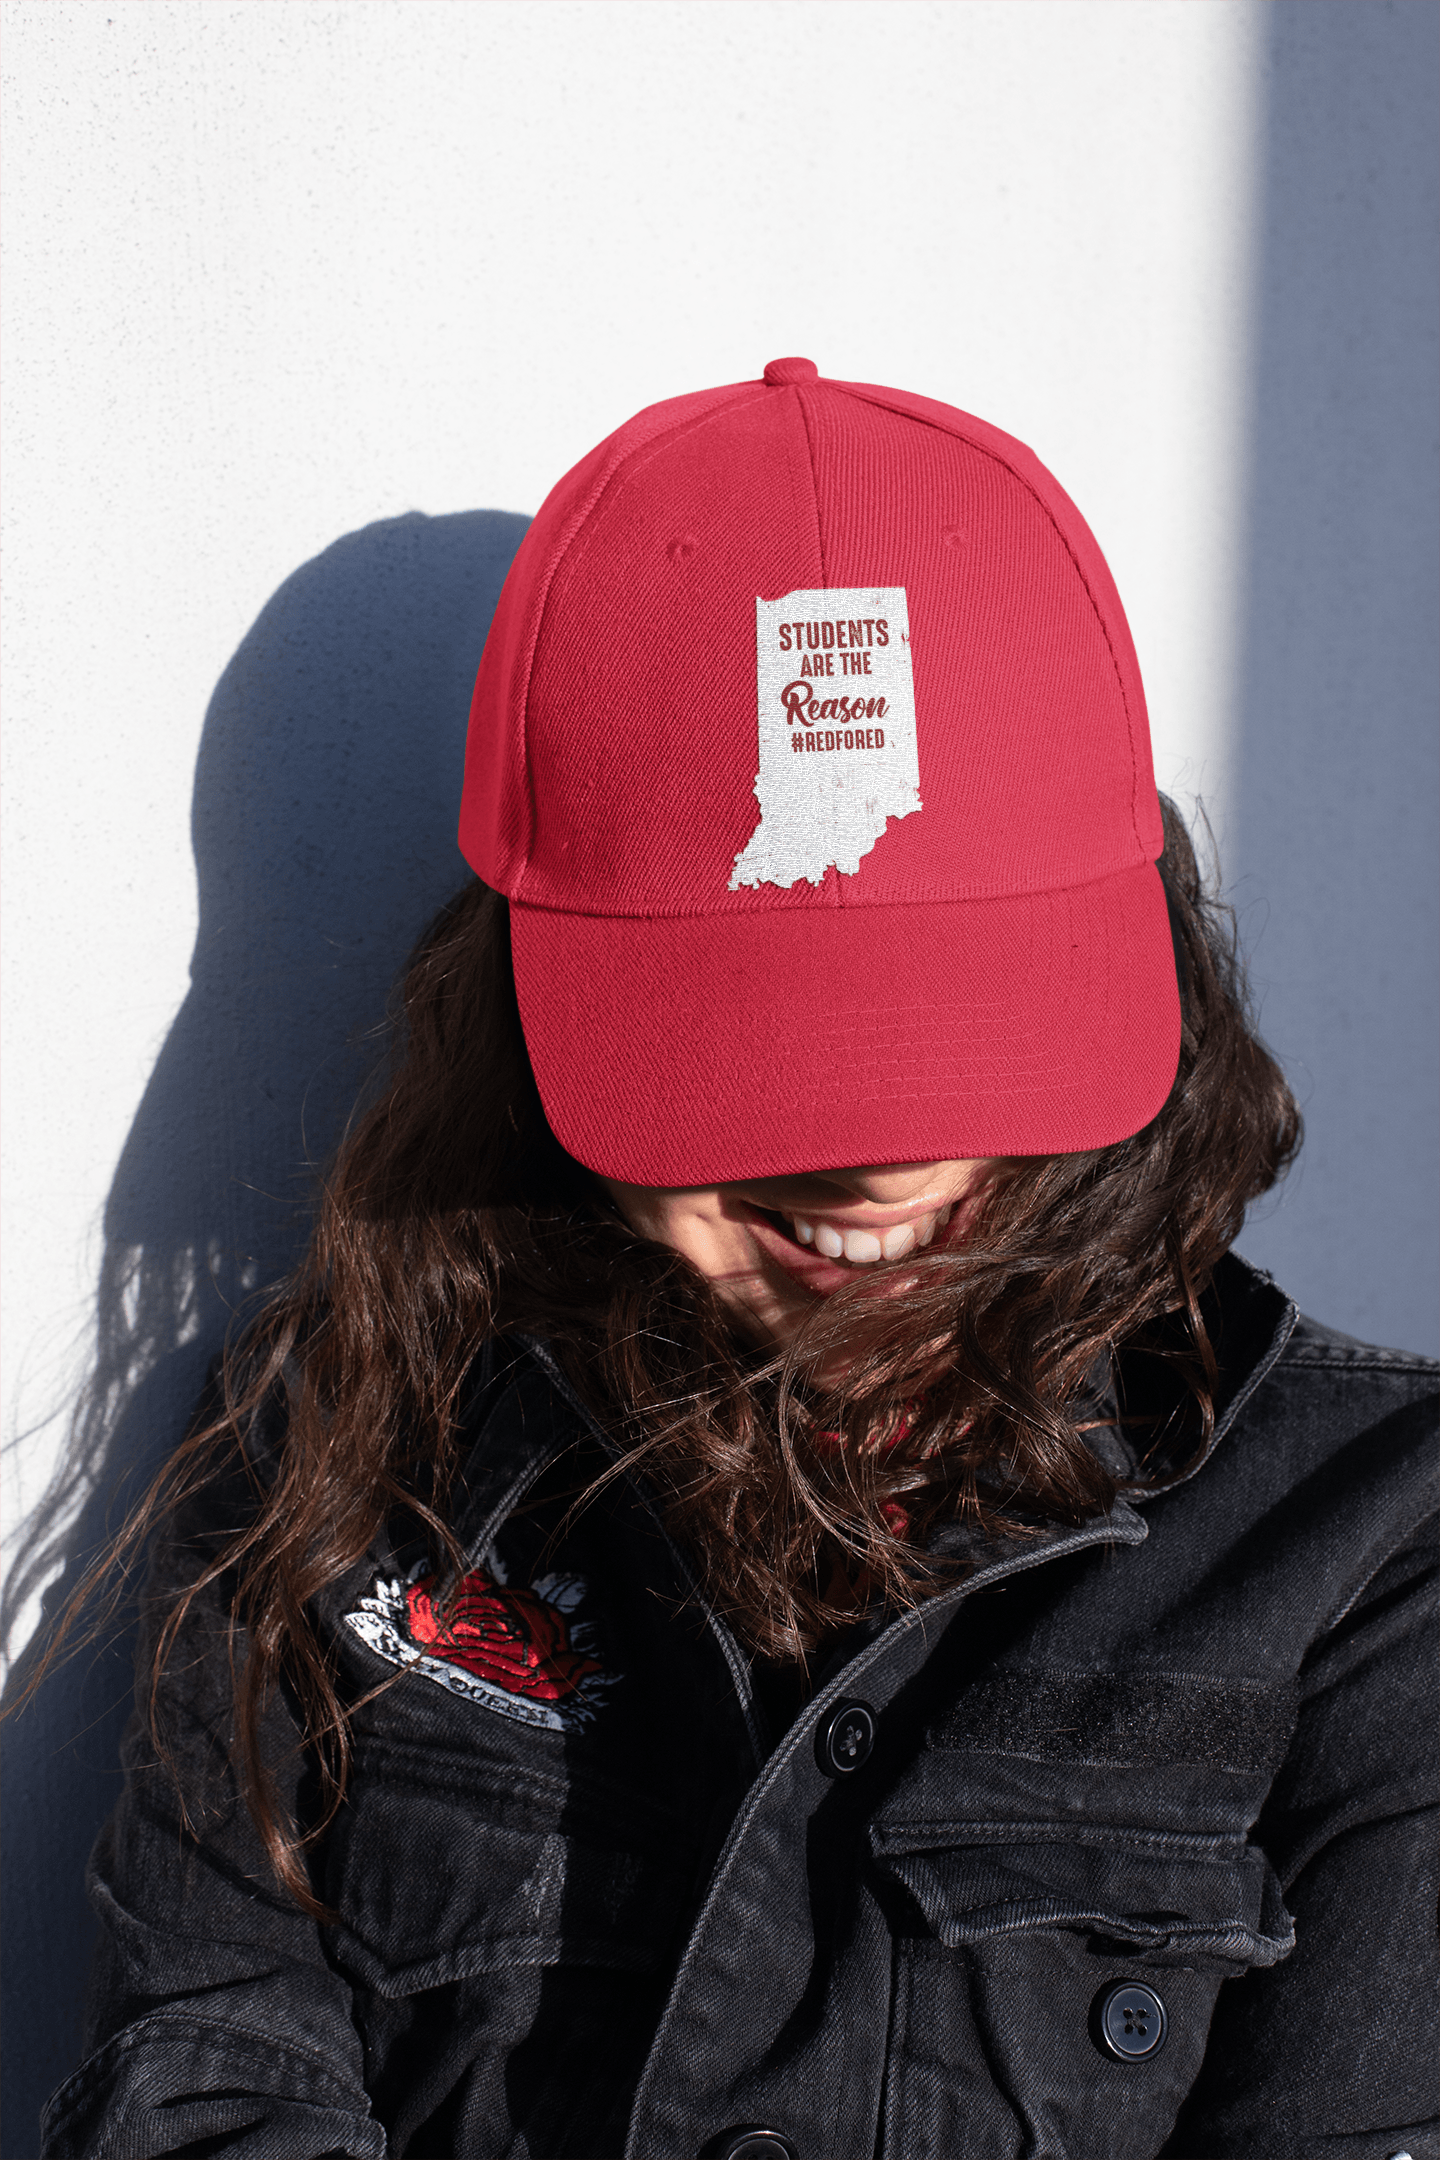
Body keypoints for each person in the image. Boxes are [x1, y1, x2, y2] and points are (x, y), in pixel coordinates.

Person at [38, 359, 1436, 2160]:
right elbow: (211, 2070)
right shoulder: (341, 1456)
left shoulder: (1368, 1548)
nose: (882, 1157)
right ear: (520, 1010)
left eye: (959, 1023)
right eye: (760, 1043)